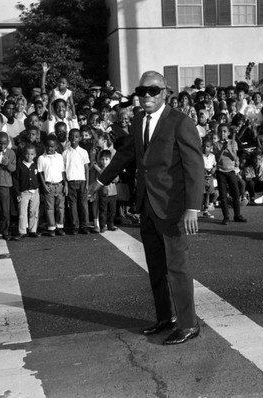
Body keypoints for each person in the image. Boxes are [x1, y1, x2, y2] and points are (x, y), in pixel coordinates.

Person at [89, 71, 204, 345]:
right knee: (155, 267)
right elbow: (128, 153)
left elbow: (195, 166)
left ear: (165, 92)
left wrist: (193, 208)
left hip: (172, 207)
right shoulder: (139, 118)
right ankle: (165, 318)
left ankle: (188, 324)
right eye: (142, 91)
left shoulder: (180, 122)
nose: (147, 96)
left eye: (153, 90)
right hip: (148, 206)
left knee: (177, 268)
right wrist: (102, 179)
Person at [38, 135, 67, 236]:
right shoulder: (41, 158)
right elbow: (40, 173)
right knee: (49, 208)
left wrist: (65, 184)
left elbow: (63, 171)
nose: (49, 148)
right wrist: (44, 185)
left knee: (60, 208)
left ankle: (60, 226)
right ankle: (51, 228)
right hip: (49, 185)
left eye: (52, 146)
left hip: (59, 185)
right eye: (48, 146)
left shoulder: (59, 157)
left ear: (56, 147)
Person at [63, 128, 90, 234]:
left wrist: (87, 183)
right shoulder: (65, 153)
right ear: (68, 138)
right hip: (70, 181)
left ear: (80, 138)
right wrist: (65, 184)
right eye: (72, 136)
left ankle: (85, 225)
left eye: (76, 136)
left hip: (82, 181)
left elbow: (86, 168)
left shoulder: (83, 152)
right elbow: (64, 170)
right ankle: (75, 226)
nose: (74, 139)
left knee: (83, 204)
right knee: (72, 204)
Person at [12, 145, 40, 240]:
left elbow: (39, 178)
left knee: (34, 211)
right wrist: (17, 193)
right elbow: (15, 181)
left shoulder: (35, 165)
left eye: (32, 154)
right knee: (22, 212)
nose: (29, 156)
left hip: (35, 192)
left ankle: (33, 230)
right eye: (27, 154)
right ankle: (22, 231)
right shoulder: (20, 166)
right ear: (24, 154)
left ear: (35, 155)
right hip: (24, 193)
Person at [95, 150, 118, 232]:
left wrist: (106, 176)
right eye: (102, 159)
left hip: (113, 193)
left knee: (112, 210)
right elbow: (100, 179)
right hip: (103, 193)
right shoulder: (99, 170)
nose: (104, 161)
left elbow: (116, 179)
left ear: (110, 160)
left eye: (107, 159)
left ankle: (110, 224)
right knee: (103, 210)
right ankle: (102, 225)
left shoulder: (113, 169)